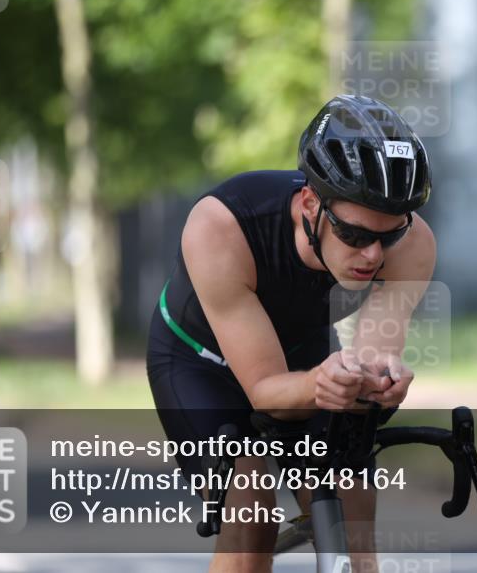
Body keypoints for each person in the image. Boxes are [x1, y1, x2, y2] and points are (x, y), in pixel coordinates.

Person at [146, 94, 436, 573]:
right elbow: (265, 392)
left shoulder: (414, 243)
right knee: (251, 513)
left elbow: (374, 353)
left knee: (351, 508)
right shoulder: (221, 226)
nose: (373, 255)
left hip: (303, 351)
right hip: (199, 361)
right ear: (309, 205)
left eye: (389, 236)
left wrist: (379, 383)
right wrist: (320, 384)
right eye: (357, 235)